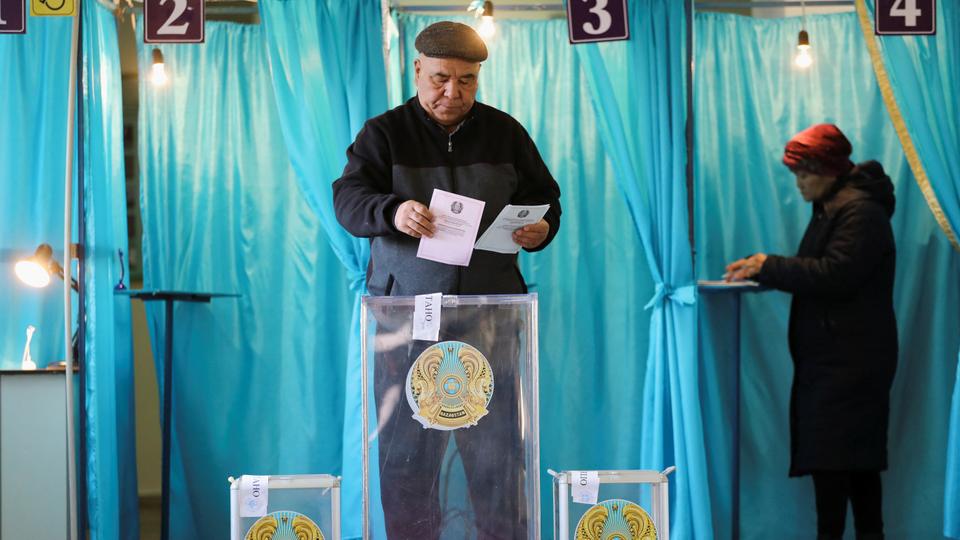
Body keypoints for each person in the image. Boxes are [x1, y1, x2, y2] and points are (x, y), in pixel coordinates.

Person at [332, 21, 561, 539]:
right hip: (407, 324)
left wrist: (542, 228)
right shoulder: (384, 133)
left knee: (499, 461)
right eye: (439, 78)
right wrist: (392, 212)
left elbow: (547, 199)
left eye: (467, 80)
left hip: (493, 322)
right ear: (417, 70)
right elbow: (347, 200)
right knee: (408, 464)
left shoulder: (506, 132)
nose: (452, 93)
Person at [725, 124, 898, 540]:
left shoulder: (859, 212)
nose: (799, 183)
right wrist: (764, 264)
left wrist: (769, 265)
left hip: (848, 370)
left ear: (829, 169)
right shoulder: (838, 207)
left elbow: (836, 273)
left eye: (805, 173)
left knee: (840, 480)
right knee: (855, 476)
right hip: (843, 364)